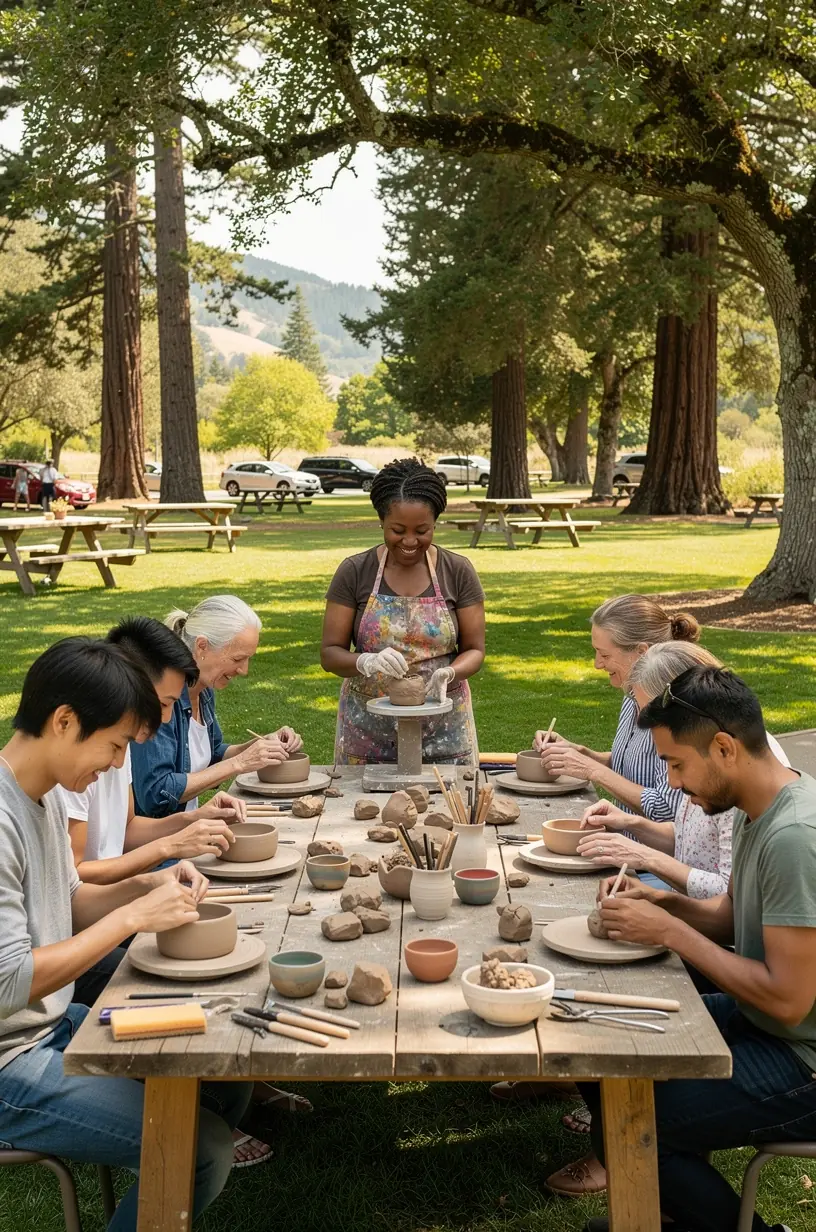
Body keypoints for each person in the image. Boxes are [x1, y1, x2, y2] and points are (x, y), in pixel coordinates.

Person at [0, 637, 252, 1230]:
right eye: (114, 746)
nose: (118, 765)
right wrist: (133, 919)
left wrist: (146, 890)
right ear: (64, 721)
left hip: (52, 1025)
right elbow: (10, 981)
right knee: (201, 1149)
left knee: (222, 1064)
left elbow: (71, 901)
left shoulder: (41, 799)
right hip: (10, 1063)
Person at [570, 667, 815, 1232]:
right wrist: (661, 906)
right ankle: (671, 1211)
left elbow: (788, 1001)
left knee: (639, 1121)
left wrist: (670, 934)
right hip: (772, 1026)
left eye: (678, 765)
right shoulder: (761, 807)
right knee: (601, 1037)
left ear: (725, 748)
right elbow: (732, 915)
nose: (673, 785)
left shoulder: (797, 837)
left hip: (803, 1056)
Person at [576, 641, 791, 895]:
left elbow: (729, 898)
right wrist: (630, 823)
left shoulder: (736, 773)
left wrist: (646, 858)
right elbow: (694, 841)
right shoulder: (707, 756)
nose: (673, 781)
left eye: (652, 711)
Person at [55, 616, 247, 895]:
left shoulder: (119, 745)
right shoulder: (78, 759)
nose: (166, 718)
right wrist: (170, 847)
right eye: (162, 704)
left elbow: (129, 827)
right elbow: (75, 877)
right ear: (126, 682)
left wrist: (194, 819)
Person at [321, 457, 485, 765]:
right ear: (381, 520)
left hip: (444, 724)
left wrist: (449, 673)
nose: (410, 541)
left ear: (435, 523)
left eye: (422, 530)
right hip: (368, 726)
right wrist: (366, 661)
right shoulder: (356, 571)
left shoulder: (457, 571)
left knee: (448, 808)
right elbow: (330, 654)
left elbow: (475, 650)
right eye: (397, 530)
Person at [535, 594, 701, 825]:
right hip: (625, 848)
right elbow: (635, 765)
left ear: (642, 652)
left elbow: (666, 807)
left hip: (653, 856)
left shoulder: (678, 710)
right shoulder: (633, 696)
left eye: (604, 654)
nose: (597, 664)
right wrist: (580, 753)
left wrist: (593, 771)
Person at [131, 595, 303, 818]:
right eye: (237, 659)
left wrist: (260, 746)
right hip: (155, 842)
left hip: (185, 831)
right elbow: (156, 793)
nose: (244, 670)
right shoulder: (161, 700)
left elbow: (212, 755)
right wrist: (241, 762)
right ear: (202, 646)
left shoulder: (204, 690)